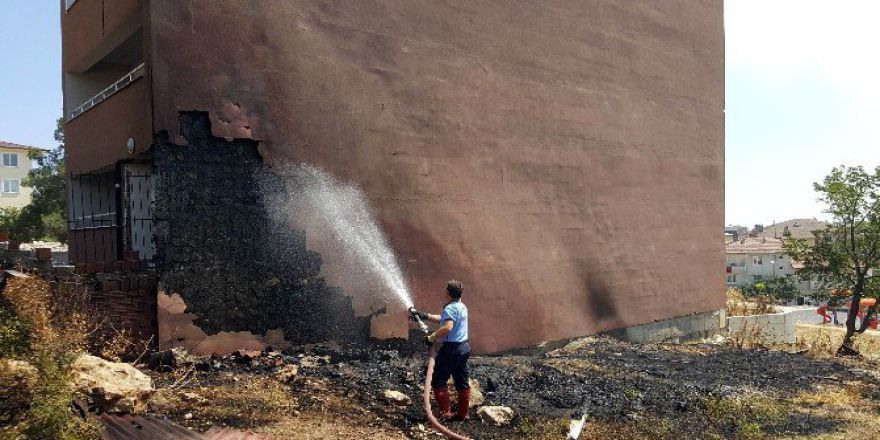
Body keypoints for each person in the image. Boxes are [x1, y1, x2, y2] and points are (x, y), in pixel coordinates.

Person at [410, 280, 471, 421]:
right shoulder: (461, 306)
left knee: (437, 378)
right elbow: (443, 319)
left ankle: (445, 413)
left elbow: (447, 326)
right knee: (461, 380)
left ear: (448, 292)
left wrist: (431, 337)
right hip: (464, 348)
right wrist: (424, 315)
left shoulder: (450, 308)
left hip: (451, 349)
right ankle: (463, 413)